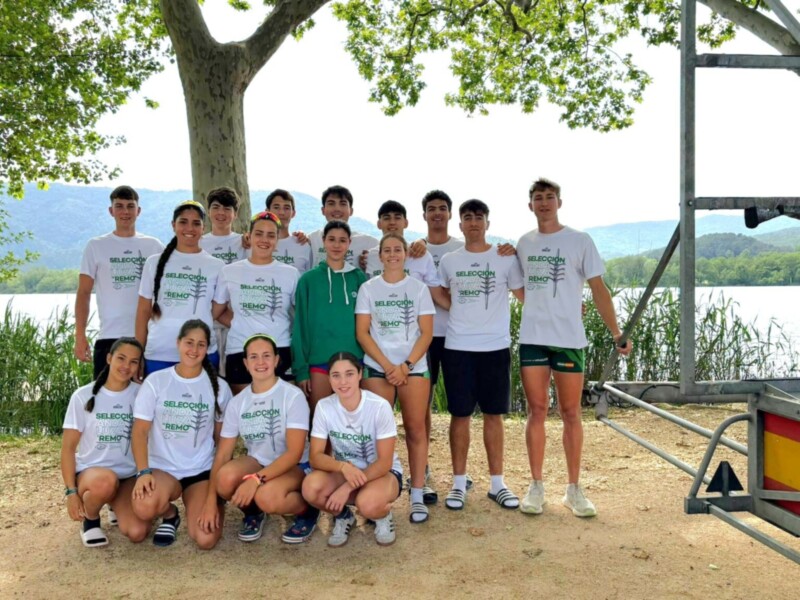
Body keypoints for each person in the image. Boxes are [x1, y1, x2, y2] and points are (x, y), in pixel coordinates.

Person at [515, 178, 632, 518]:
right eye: (538, 198)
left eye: (550, 197)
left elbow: (598, 289)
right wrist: (543, 305)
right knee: (536, 410)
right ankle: (536, 486)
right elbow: (519, 287)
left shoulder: (580, 241)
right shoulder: (524, 243)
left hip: (569, 340)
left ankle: (573, 489)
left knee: (570, 413)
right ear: (530, 205)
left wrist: (616, 333)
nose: (544, 203)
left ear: (559, 203)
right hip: (533, 338)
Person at [438, 199, 524, 511]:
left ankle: (497, 483)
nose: (473, 222)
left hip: (495, 347)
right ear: (459, 224)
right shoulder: (449, 260)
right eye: (467, 218)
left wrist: (567, 308)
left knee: (493, 415)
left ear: (487, 223)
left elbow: (523, 294)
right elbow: (437, 290)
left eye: (479, 217)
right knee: (459, 415)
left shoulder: (505, 258)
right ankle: (458, 483)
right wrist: (458, 309)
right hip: (458, 347)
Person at [200, 334, 319, 544]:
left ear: (276, 360)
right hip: (259, 461)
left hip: (296, 465)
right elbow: (223, 454)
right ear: (245, 363)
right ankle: (253, 513)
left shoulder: (292, 395)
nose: (260, 362)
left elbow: (294, 453)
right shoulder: (238, 403)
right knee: (224, 479)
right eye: (253, 357)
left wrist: (256, 480)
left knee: (268, 496)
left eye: (266, 355)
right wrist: (211, 499)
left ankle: (307, 510)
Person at [130, 319, 233, 548]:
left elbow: (221, 443)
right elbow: (139, 432)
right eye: (189, 342)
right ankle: (170, 514)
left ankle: (210, 505)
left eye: (201, 344)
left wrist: (212, 498)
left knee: (206, 539)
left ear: (207, 349)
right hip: (162, 469)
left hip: (200, 472)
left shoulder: (220, 388)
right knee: (145, 506)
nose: (194, 350)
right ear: (178, 343)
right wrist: (143, 472)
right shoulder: (156, 381)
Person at [356, 233, 435, 524]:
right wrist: (388, 365)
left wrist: (406, 364)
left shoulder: (418, 289)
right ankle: (378, 497)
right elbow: (362, 332)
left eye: (397, 250)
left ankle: (416, 494)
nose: (392, 254)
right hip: (378, 368)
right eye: (386, 250)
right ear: (380, 255)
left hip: (413, 368)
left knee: (415, 430)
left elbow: (426, 332)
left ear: (405, 254)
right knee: (376, 434)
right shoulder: (368, 288)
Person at [301, 352, 402, 547]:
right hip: (346, 472)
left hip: (381, 473)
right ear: (329, 378)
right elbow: (315, 457)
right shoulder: (324, 407)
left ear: (359, 374)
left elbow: (384, 463)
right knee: (310, 487)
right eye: (335, 375)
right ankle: (343, 516)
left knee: (368, 505)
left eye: (349, 374)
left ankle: (382, 515)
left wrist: (346, 488)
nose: (342, 381)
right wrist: (343, 468)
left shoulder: (379, 406)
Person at [61, 337, 151, 547]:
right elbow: (67, 448)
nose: (126, 366)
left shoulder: (142, 394)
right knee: (106, 482)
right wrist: (71, 492)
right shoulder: (82, 396)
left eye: (134, 362)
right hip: (93, 475)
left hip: (129, 476)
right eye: (121, 358)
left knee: (138, 532)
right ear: (109, 358)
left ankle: (114, 503)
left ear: (139, 366)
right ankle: (91, 519)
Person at [75, 185, 164, 378]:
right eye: (120, 206)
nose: (125, 212)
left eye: (130, 206)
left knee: (146, 402)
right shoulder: (96, 246)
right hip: (110, 336)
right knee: (104, 399)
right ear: (111, 211)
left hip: (147, 337)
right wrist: (80, 336)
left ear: (138, 211)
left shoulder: (154, 245)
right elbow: (83, 293)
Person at [135, 200, 226, 375]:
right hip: (159, 353)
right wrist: (138, 351)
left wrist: (200, 316)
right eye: (183, 222)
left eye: (196, 223)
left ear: (203, 227)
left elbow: (217, 307)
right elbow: (143, 310)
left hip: (201, 354)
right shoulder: (153, 262)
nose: (189, 228)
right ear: (173, 225)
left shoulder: (216, 265)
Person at [215, 211, 299, 394]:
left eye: (271, 235)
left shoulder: (290, 273)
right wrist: (242, 323)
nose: (264, 239)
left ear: (277, 240)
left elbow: (300, 314)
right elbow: (217, 312)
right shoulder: (229, 272)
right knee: (245, 414)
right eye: (259, 233)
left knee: (282, 411)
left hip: (280, 349)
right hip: (240, 350)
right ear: (249, 236)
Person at [291, 220, 367, 411]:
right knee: (320, 424)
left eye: (342, 240)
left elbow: (367, 324)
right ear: (323, 241)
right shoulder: (308, 280)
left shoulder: (358, 278)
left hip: (354, 361)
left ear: (349, 243)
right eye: (331, 239)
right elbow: (300, 326)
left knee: (351, 423)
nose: (336, 245)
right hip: (319, 362)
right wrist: (301, 371)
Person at [307, 185, 378, 268]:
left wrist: (371, 259)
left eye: (343, 204)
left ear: (351, 211)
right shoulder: (312, 239)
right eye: (331, 203)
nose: (337, 208)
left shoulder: (368, 242)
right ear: (323, 210)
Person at [266, 189, 314, 274]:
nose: (281, 212)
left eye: (287, 208)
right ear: (267, 211)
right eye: (276, 207)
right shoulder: (255, 244)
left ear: (293, 213)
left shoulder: (303, 245)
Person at [198, 186, 247, 265]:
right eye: (216, 207)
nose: (221, 212)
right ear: (208, 211)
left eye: (227, 208)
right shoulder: (199, 243)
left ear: (235, 214)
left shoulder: (244, 242)